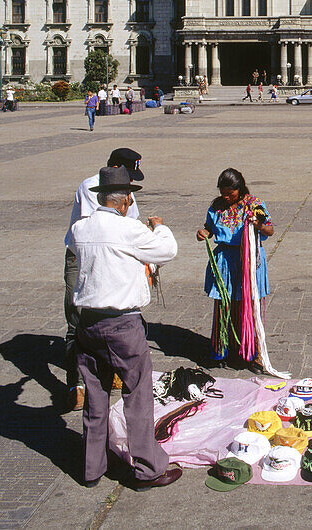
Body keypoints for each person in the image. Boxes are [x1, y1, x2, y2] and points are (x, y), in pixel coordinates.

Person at [71, 165, 181, 489]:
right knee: (137, 395)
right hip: (122, 325)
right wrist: (159, 228)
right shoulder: (127, 229)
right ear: (125, 200)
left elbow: (79, 251)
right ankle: (148, 468)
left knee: (95, 397)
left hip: (88, 323)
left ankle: (92, 468)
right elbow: (167, 250)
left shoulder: (81, 228)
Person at [63, 148, 145, 411]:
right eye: (128, 176)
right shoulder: (91, 188)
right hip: (83, 258)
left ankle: (113, 371)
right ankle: (76, 386)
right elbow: (93, 232)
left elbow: (133, 223)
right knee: (78, 318)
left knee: (114, 313)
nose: (131, 183)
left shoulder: (126, 192)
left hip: (114, 257)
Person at [196, 168, 274, 367]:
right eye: (223, 192)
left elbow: (270, 230)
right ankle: (221, 349)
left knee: (249, 304)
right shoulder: (217, 206)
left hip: (248, 259)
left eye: (230, 193)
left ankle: (253, 351)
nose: (226, 197)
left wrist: (257, 225)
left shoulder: (254, 205)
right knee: (224, 305)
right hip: (224, 260)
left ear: (239, 189)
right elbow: (209, 227)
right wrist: (203, 232)